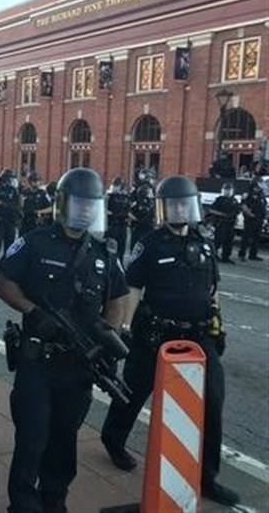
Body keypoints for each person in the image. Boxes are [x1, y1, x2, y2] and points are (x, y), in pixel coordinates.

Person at [0, 167, 128, 513]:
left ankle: (54, 501)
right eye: (79, 204)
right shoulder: (36, 242)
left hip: (79, 369)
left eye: (91, 205)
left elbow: (118, 297)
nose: (84, 211)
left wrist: (108, 333)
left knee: (64, 441)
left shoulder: (104, 253)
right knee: (32, 439)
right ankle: (23, 505)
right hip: (38, 362)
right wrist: (32, 311)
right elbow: (4, 281)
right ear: (64, 204)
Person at [100, 175, 240, 506]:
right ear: (165, 208)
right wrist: (126, 330)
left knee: (213, 402)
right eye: (173, 205)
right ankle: (114, 439)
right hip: (155, 335)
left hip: (197, 334)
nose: (179, 210)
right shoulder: (149, 244)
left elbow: (212, 291)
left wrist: (219, 326)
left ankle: (207, 477)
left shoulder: (204, 243)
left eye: (184, 204)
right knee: (132, 392)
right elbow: (132, 289)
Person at [208, 182, 240, 264]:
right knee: (218, 240)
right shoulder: (220, 199)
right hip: (221, 223)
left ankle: (226, 257)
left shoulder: (234, 200)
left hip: (231, 224)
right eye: (226, 189)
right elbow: (211, 210)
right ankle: (214, 255)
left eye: (229, 190)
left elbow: (237, 211)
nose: (228, 191)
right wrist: (222, 214)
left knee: (229, 241)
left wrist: (235, 219)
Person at [238, 176, 266, 261]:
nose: (262, 184)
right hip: (251, 218)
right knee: (246, 237)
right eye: (260, 182)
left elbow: (263, 205)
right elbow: (243, 205)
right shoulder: (248, 193)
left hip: (259, 218)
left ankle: (253, 254)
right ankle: (242, 254)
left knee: (256, 238)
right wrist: (249, 213)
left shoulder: (261, 194)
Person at [106, 177, 130, 262]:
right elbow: (106, 210)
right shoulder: (109, 196)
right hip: (112, 225)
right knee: (111, 248)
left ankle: (120, 264)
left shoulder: (126, 197)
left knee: (121, 248)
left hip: (122, 225)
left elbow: (127, 210)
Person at [20, 171, 52, 235]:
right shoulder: (24, 193)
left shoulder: (43, 193)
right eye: (35, 181)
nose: (37, 183)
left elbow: (51, 208)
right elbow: (20, 206)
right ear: (30, 182)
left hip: (37, 222)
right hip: (25, 223)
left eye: (38, 181)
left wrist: (39, 211)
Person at [129, 181, 155, 249]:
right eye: (148, 192)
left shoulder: (150, 203)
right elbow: (130, 213)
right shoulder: (137, 204)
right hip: (139, 229)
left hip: (148, 228)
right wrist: (137, 220)